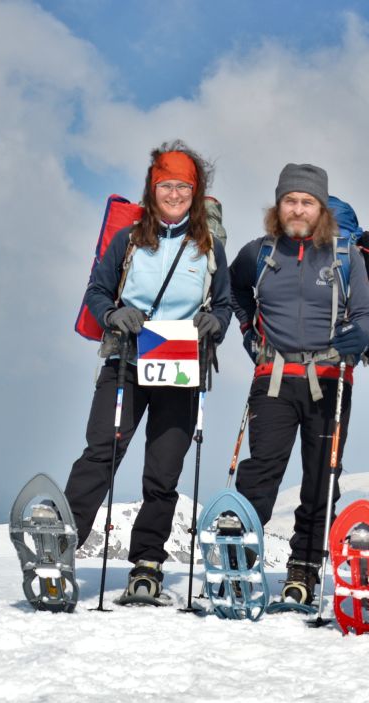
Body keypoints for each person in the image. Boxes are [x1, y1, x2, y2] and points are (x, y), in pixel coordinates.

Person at [65, 140, 231, 603]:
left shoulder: (208, 246)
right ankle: (64, 545)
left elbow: (227, 304)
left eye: (183, 186)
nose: (174, 194)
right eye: (166, 186)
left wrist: (214, 323)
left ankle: (148, 561)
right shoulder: (130, 238)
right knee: (102, 452)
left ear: (195, 193)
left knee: (163, 471)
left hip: (180, 363)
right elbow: (97, 291)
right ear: (152, 189)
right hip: (126, 357)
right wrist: (113, 314)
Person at [229, 164, 369, 606]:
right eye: (290, 200)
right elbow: (236, 295)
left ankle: (304, 568)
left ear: (321, 208)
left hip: (328, 380)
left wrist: (360, 336)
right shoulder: (257, 253)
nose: (298, 208)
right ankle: (241, 559)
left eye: (307, 202)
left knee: (320, 479)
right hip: (272, 378)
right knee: (261, 472)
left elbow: (367, 314)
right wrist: (246, 333)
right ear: (278, 206)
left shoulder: (344, 256)